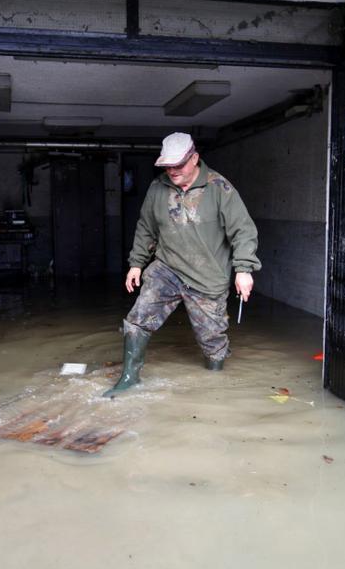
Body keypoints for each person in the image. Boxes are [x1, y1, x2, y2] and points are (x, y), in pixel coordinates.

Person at [105, 132, 261, 398]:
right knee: (138, 319)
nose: (172, 171)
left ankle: (216, 383)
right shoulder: (157, 188)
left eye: (178, 165)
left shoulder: (219, 188)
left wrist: (244, 269)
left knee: (212, 341)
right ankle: (129, 378)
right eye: (167, 166)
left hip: (207, 277)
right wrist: (136, 264)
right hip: (168, 268)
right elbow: (146, 228)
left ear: (195, 158)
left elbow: (243, 231)